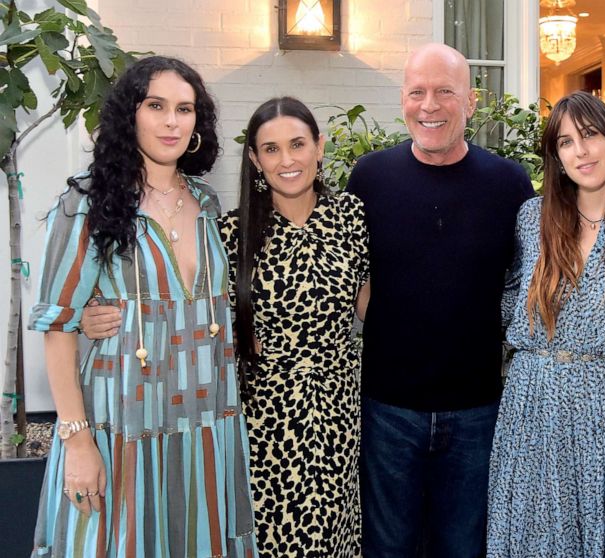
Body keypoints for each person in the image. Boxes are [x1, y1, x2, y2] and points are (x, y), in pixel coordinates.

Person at [28, 56, 257, 557]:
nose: (172, 121)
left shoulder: (208, 203)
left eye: (185, 108)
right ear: (129, 115)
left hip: (205, 419)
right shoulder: (87, 202)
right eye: (156, 106)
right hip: (123, 422)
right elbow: (58, 327)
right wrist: (78, 442)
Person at [346, 43, 533, 557]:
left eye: (444, 92)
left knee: (465, 548)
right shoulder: (368, 178)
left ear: (470, 101)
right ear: (402, 100)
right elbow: (347, 273)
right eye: (417, 92)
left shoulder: (509, 184)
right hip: (388, 410)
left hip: (476, 410)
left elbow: (528, 281)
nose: (429, 105)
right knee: (388, 548)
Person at [487, 91, 605, 556]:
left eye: (589, 135)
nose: (581, 152)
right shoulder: (531, 219)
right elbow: (506, 299)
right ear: (556, 157)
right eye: (566, 142)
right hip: (532, 403)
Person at [219, 97, 369, 556]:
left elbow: (372, 306)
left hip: (341, 407)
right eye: (271, 149)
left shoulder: (351, 217)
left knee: (336, 533)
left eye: (298, 144)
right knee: (273, 538)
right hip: (266, 417)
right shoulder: (230, 232)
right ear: (254, 159)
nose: (287, 160)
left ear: (319, 147)